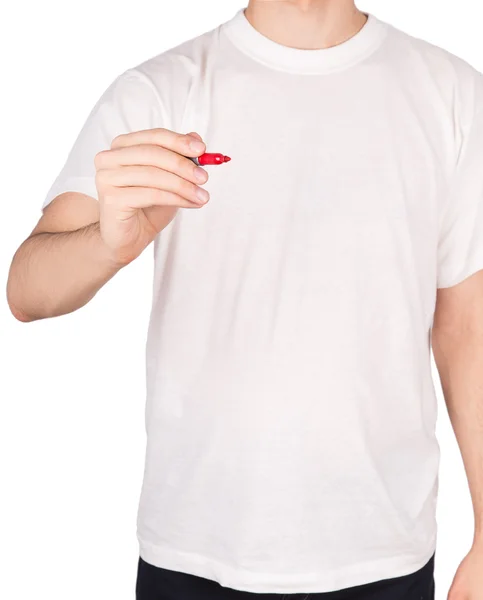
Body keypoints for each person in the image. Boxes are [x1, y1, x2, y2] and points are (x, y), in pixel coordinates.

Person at [7, 0, 483, 598]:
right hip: (194, 551)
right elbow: (25, 291)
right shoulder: (160, 90)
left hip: (383, 551)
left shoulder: (454, 94)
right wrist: (108, 244)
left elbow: (468, 328)